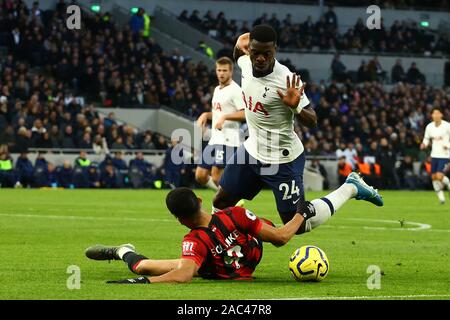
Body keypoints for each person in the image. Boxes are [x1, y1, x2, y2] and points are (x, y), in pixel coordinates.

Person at [213, 24, 383, 231]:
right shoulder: (246, 64)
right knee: (220, 202)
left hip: (283, 157)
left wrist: (295, 108)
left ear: (275, 49)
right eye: (256, 53)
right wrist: (242, 39)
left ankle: (350, 188)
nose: (260, 58)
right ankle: (222, 250)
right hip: (252, 150)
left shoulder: (286, 79)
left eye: (266, 54)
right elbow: (239, 50)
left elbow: (313, 119)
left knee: (296, 225)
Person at [85, 177, 379, 283]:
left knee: (148, 271)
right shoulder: (217, 229)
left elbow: (280, 238)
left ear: (177, 219)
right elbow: (280, 237)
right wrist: (302, 211)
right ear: (199, 200)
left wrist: (302, 213)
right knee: (144, 267)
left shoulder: (197, 240)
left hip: (224, 255)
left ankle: (350, 187)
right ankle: (122, 251)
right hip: (221, 259)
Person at [196, 57, 245, 191]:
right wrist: (206, 115)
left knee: (217, 178)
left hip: (228, 140)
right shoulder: (217, 89)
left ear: (231, 72)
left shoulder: (236, 90)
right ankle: (229, 199)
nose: (221, 73)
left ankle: (230, 203)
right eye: (219, 70)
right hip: (215, 139)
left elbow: (245, 114)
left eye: (224, 70)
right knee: (200, 175)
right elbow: (218, 113)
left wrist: (225, 118)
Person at [420, 107, 450, 204]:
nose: (436, 115)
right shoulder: (429, 127)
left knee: (439, 176)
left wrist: (448, 145)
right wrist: (424, 144)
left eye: (438, 113)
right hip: (434, 155)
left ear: (441, 115)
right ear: (432, 115)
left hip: (445, 155)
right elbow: (426, 138)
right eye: (434, 113)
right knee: (433, 177)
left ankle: (449, 185)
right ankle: (442, 199)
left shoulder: (447, 126)